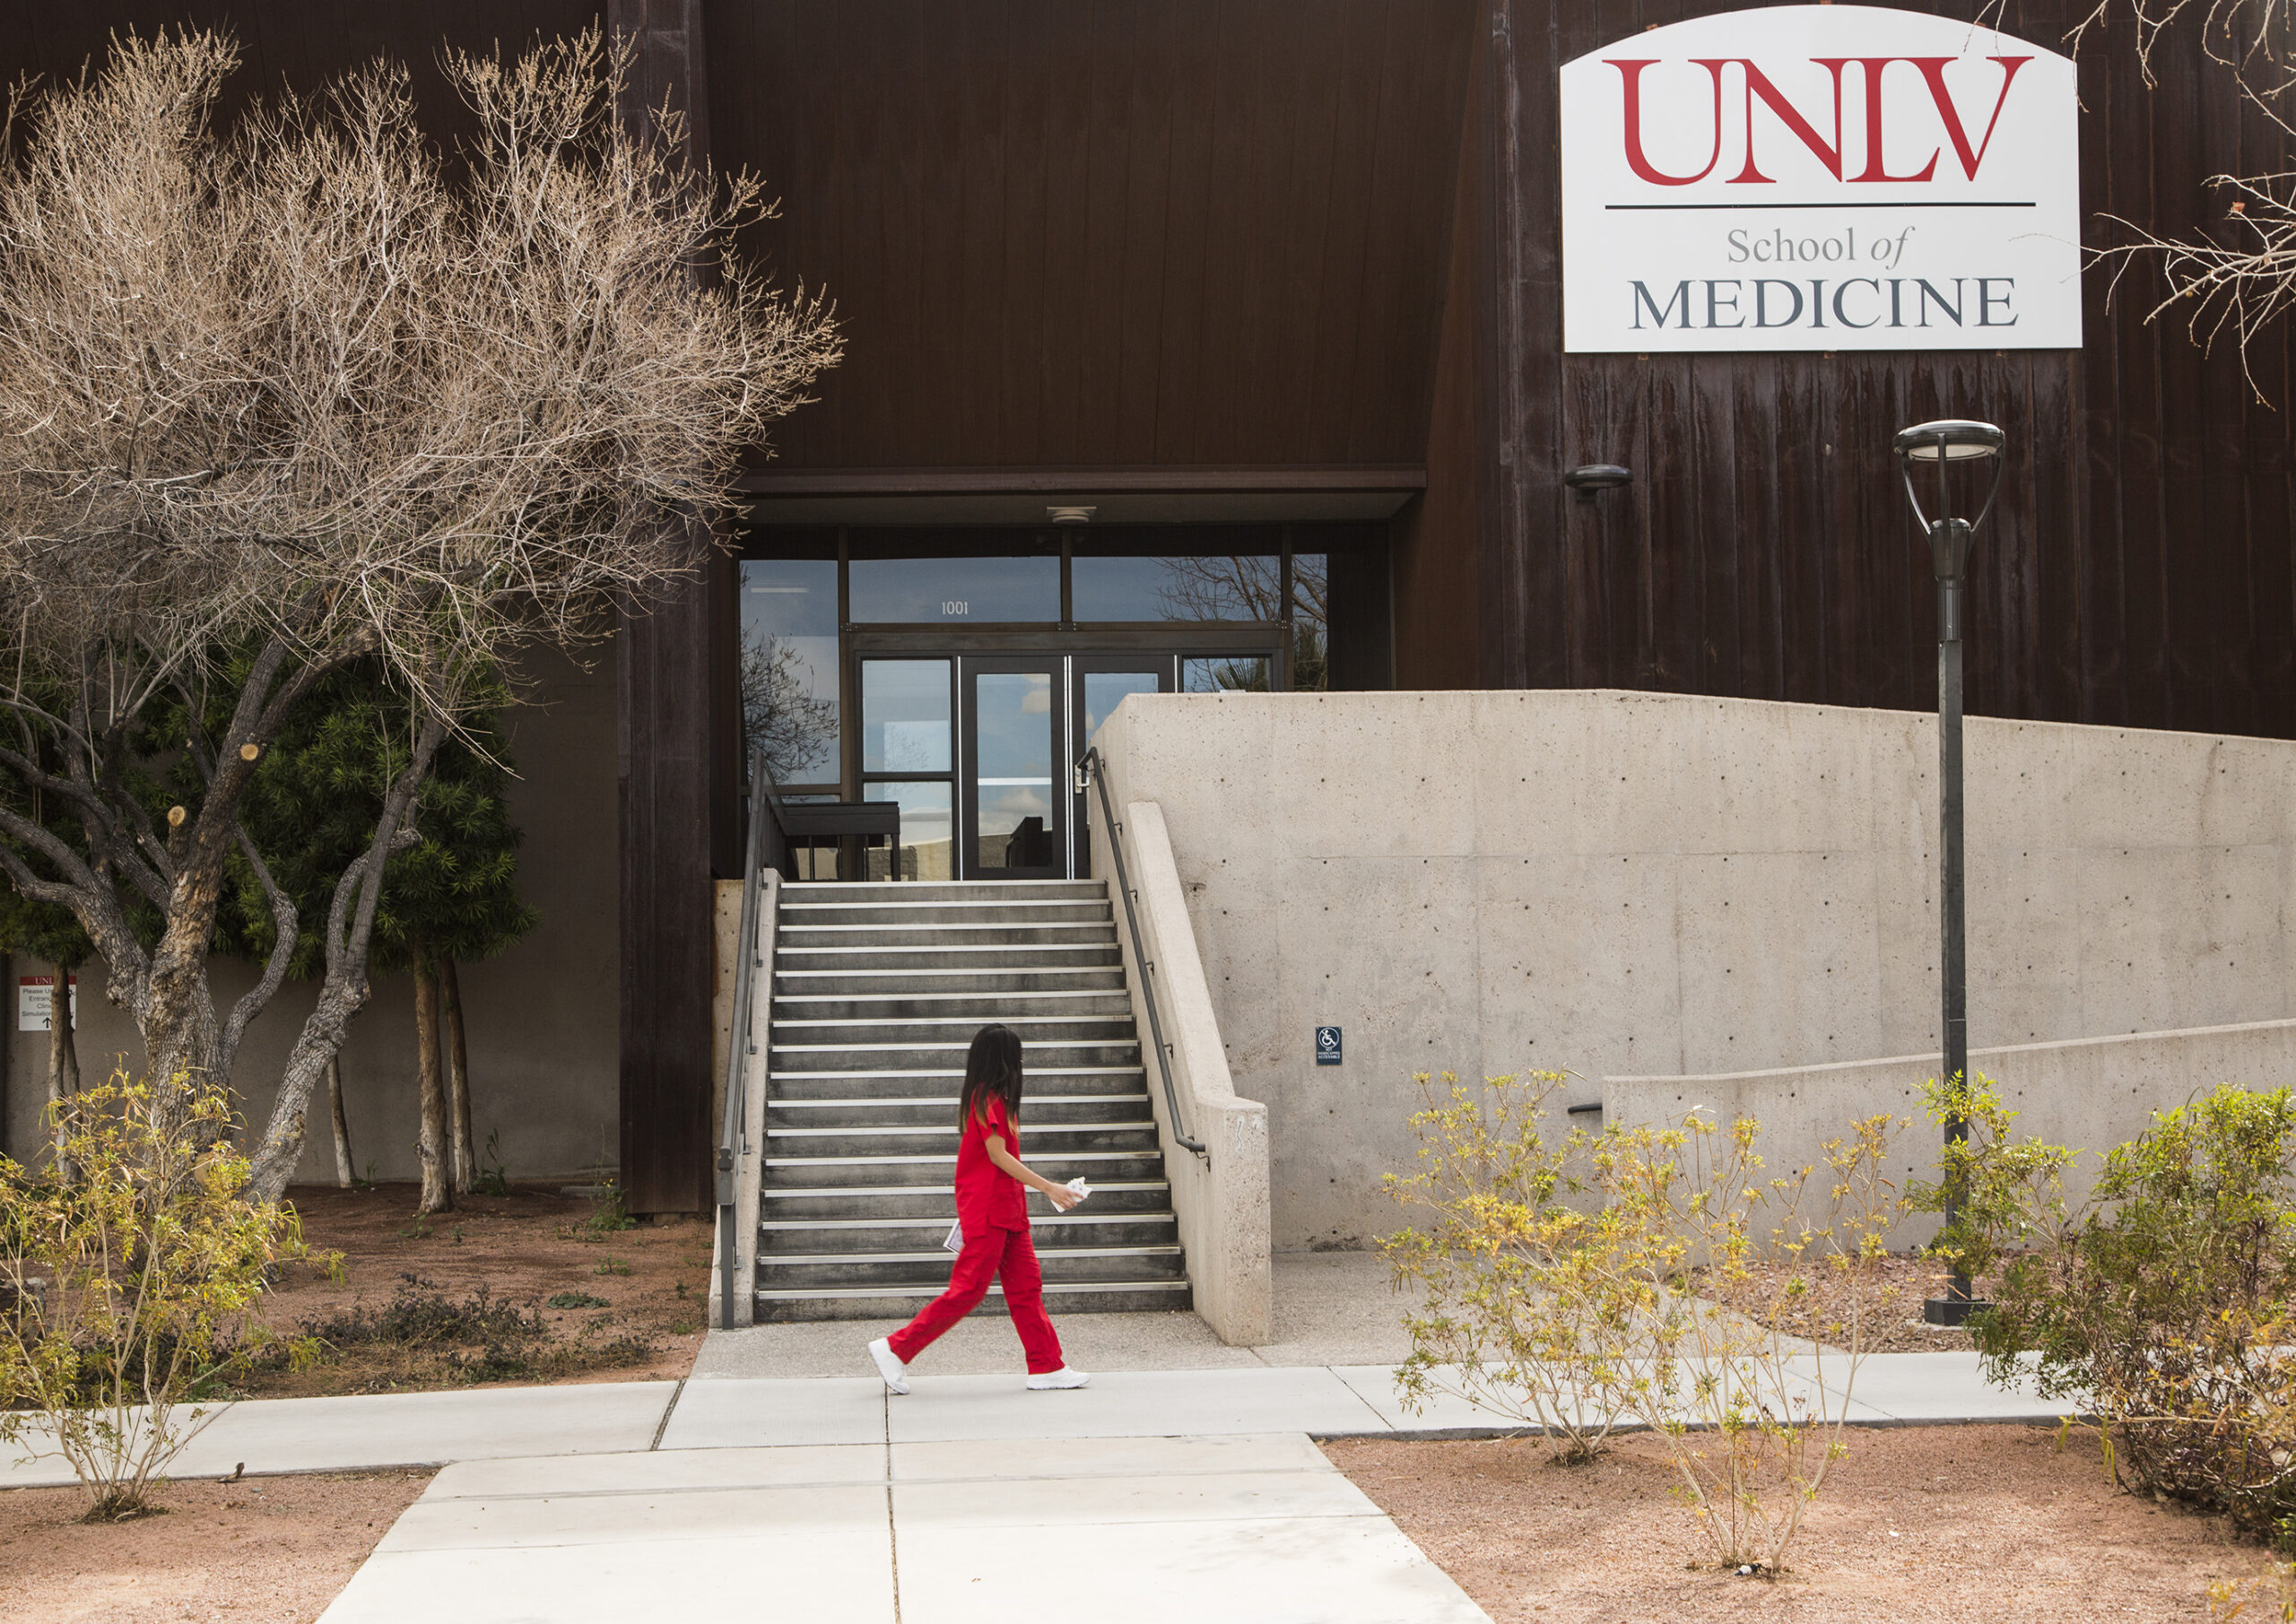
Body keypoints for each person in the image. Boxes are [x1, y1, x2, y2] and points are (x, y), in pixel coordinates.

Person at [868, 1023, 1091, 1393]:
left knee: (1026, 1288)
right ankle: (895, 1348)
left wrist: (1045, 1192)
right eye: (1016, 1056)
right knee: (968, 1289)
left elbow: (999, 1159)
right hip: (990, 1212)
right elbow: (998, 1156)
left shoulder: (990, 1099)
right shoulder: (990, 1100)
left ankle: (1046, 1365)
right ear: (1003, 1060)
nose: (1021, 1062)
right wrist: (1049, 1187)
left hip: (1006, 1211)